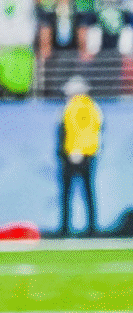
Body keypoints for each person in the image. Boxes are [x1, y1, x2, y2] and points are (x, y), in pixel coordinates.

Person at [57, 76, 100, 237]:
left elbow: (76, 131)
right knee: (87, 192)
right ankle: (91, 228)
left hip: (74, 154)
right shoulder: (93, 107)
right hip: (87, 154)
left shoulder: (74, 107)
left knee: (69, 193)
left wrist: (76, 150)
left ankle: (66, 228)